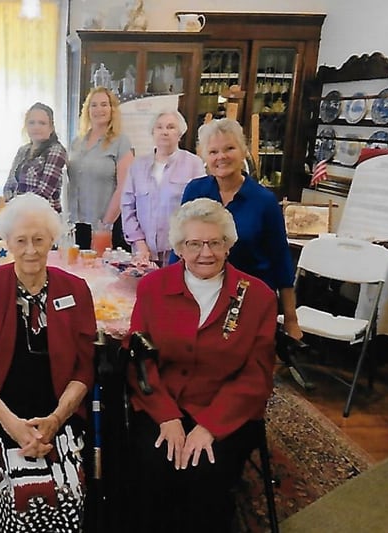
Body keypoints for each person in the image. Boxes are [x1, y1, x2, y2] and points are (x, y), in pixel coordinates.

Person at [128, 198, 277, 532]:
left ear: (229, 245)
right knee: (153, 469)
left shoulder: (258, 297)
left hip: (227, 412)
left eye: (215, 243)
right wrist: (166, 416)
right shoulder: (153, 287)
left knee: (207, 474)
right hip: (163, 405)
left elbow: (256, 376)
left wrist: (210, 426)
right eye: (194, 244)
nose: (205, 253)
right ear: (179, 247)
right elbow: (139, 359)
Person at [0, 193, 97, 532]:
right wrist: (12, 425)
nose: (31, 249)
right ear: (7, 243)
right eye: (21, 241)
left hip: (58, 416)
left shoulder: (76, 290)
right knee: (19, 494)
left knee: (66, 491)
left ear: (53, 239)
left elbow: (84, 368)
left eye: (39, 240)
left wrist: (55, 419)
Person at [179, 117, 301, 339]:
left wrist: (291, 321)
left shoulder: (264, 201)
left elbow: (281, 260)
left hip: (249, 300)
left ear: (243, 150)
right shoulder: (194, 191)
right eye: (213, 151)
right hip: (201, 297)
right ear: (205, 157)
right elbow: (181, 245)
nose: (221, 157)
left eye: (229, 148)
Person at [121, 109, 205, 265]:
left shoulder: (194, 164)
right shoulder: (137, 166)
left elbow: (199, 211)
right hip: (143, 255)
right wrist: (140, 244)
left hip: (180, 254)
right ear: (152, 132)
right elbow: (127, 207)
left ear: (180, 134)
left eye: (171, 127)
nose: (164, 132)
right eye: (159, 127)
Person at [67, 87, 134, 250]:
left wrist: (105, 226)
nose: (98, 109)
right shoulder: (77, 142)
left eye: (104, 104)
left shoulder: (121, 142)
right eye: (94, 105)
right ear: (87, 110)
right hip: (75, 224)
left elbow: (124, 188)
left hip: (104, 226)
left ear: (112, 109)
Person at [3, 102, 66, 213]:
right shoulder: (22, 151)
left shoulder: (56, 151)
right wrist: (12, 207)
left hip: (44, 219)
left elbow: (43, 193)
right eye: (32, 123)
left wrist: (16, 207)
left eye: (42, 123)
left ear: (51, 128)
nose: (36, 127)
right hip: (17, 216)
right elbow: (9, 186)